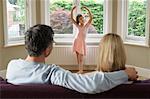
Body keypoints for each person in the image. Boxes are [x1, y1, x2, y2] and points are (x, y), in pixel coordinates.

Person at [6, 24, 138, 94]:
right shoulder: (53, 74)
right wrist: (125, 74)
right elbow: (92, 84)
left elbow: (83, 79)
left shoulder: (12, 67)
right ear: (47, 50)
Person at [71, 6, 92, 73]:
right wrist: (72, 10)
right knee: (77, 58)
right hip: (77, 41)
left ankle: (81, 70)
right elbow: (71, 19)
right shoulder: (78, 26)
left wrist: (87, 9)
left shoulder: (86, 25)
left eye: (82, 18)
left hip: (82, 43)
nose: (82, 19)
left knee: (81, 58)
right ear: (78, 20)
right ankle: (79, 70)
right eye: (80, 19)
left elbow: (91, 18)